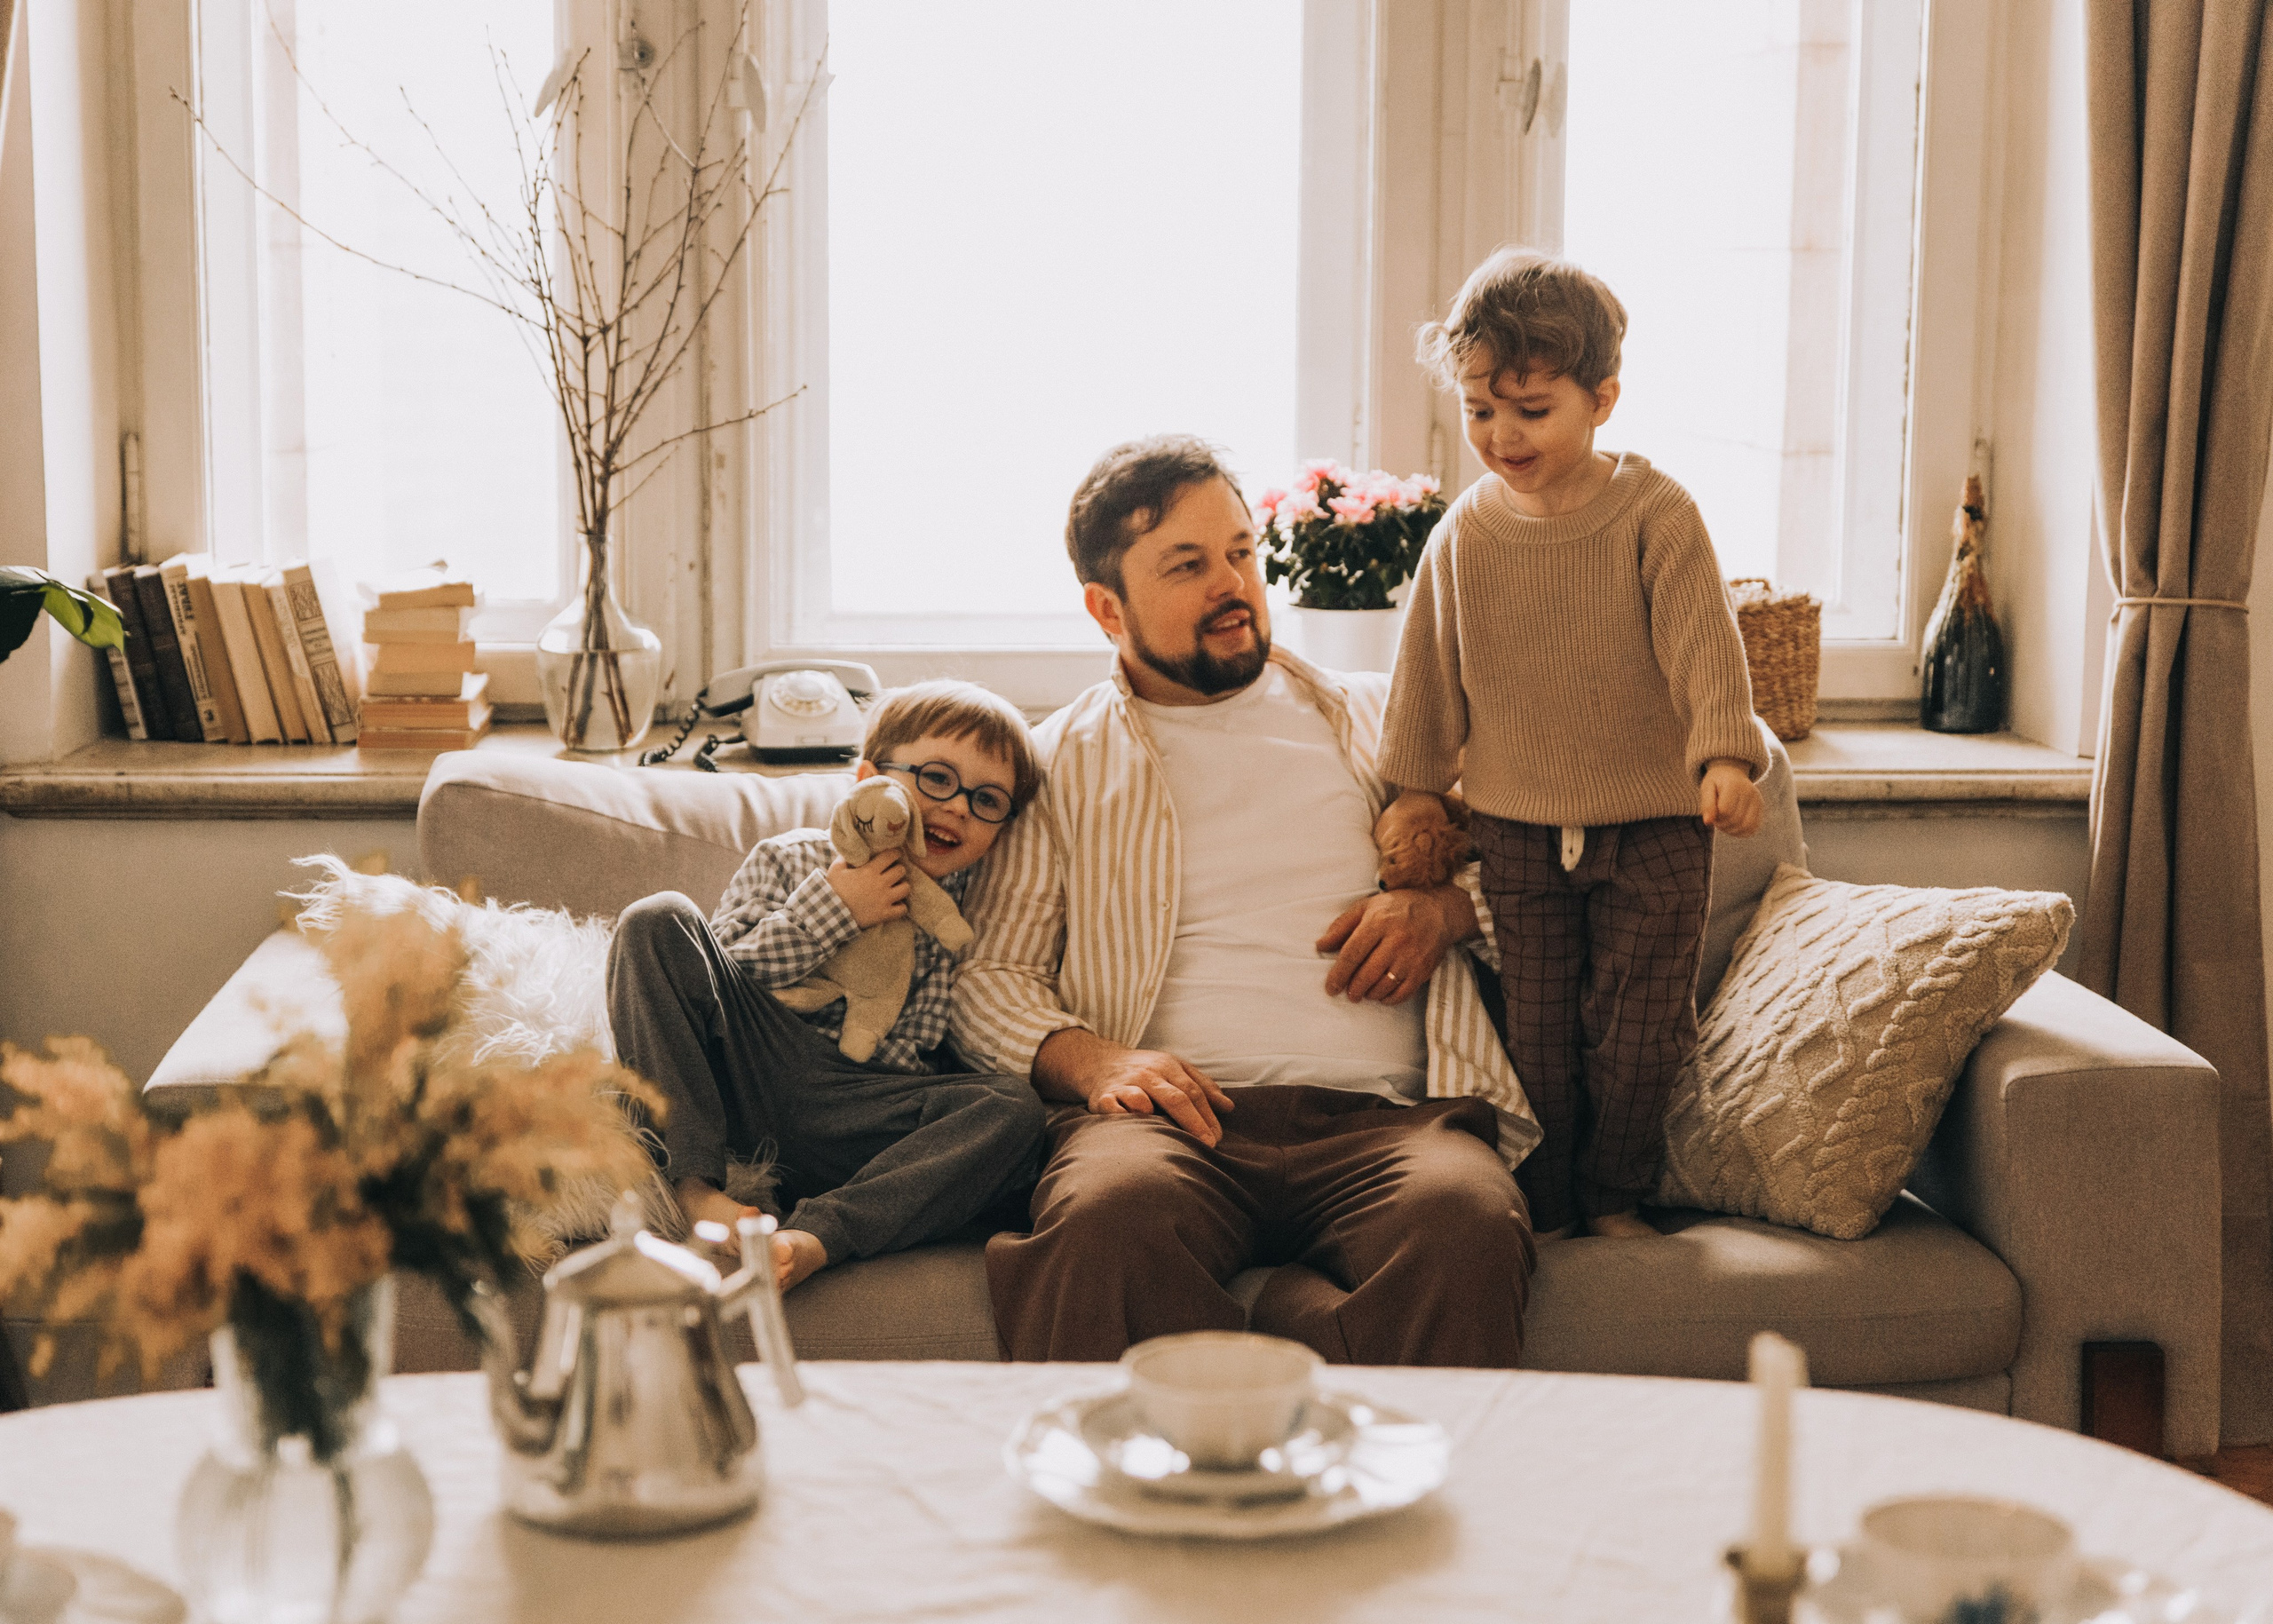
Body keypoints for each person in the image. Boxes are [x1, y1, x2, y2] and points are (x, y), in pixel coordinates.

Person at [952, 436, 1540, 1367]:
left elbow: (1539, 883)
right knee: (1103, 1219)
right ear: (1108, 608)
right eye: (1186, 565)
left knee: (1463, 1218)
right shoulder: (1057, 759)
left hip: (1388, 1119)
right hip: (1163, 1131)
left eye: (1238, 551)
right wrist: (1097, 1059)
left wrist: (1443, 913)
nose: (1232, 583)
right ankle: (1159, 1489)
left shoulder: (1383, 720)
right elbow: (989, 977)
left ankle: (1364, 1466)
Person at [1377, 247, 1768, 1242]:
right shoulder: (1462, 534)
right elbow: (1426, 669)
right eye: (1478, 409)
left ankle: (1613, 1194)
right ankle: (1546, 1205)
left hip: (1656, 825)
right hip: (1513, 828)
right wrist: (1416, 789)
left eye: (1529, 409)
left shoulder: (1656, 514)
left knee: (1636, 1034)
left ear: (1601, 399)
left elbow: (1702, 645)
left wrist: (1724, 756)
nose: (1499, 435)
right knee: (1540, 1032)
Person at [606, 679, 1049, 1289]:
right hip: (754, 1062)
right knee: (657, 919)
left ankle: (819, 1236)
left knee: (1011, 1109)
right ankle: (693, 1187)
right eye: (937, 778)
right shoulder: (792, 858)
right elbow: (727, 970)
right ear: (871, 777)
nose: (957, 807)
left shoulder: (976, 911)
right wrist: (834, 907)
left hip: (865, 1107)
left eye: (988, 800)